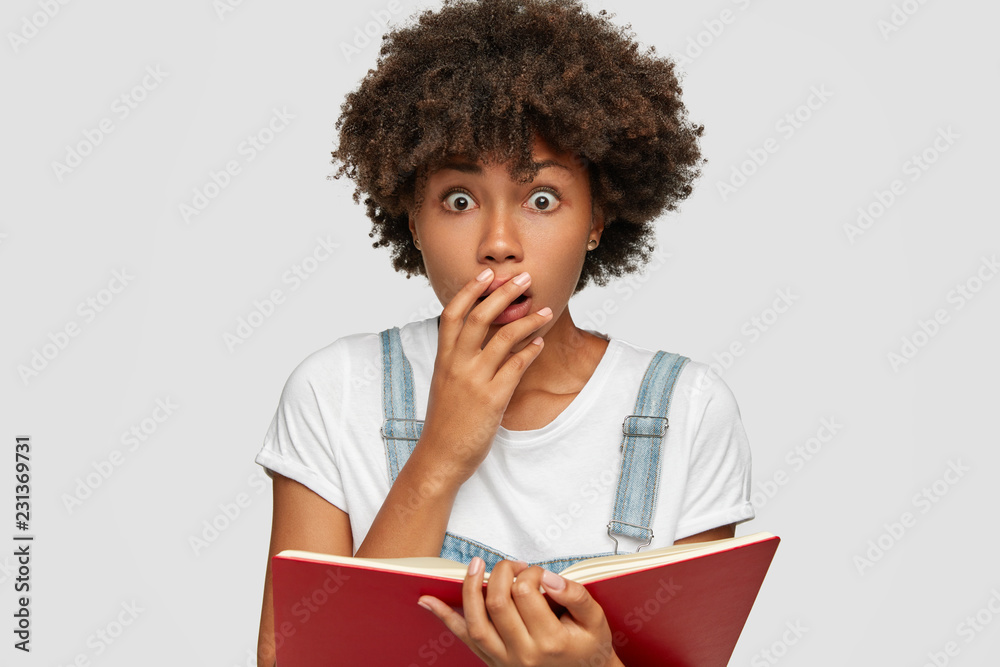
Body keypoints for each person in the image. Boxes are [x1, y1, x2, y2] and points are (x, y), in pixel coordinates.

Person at [254, 1, 754, 665]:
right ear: (410, 216)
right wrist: (438, 456)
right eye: (459, 199)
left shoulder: (684, 410)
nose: (498, 243)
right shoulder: (333, 393)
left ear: (599, 216)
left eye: (541, 198)